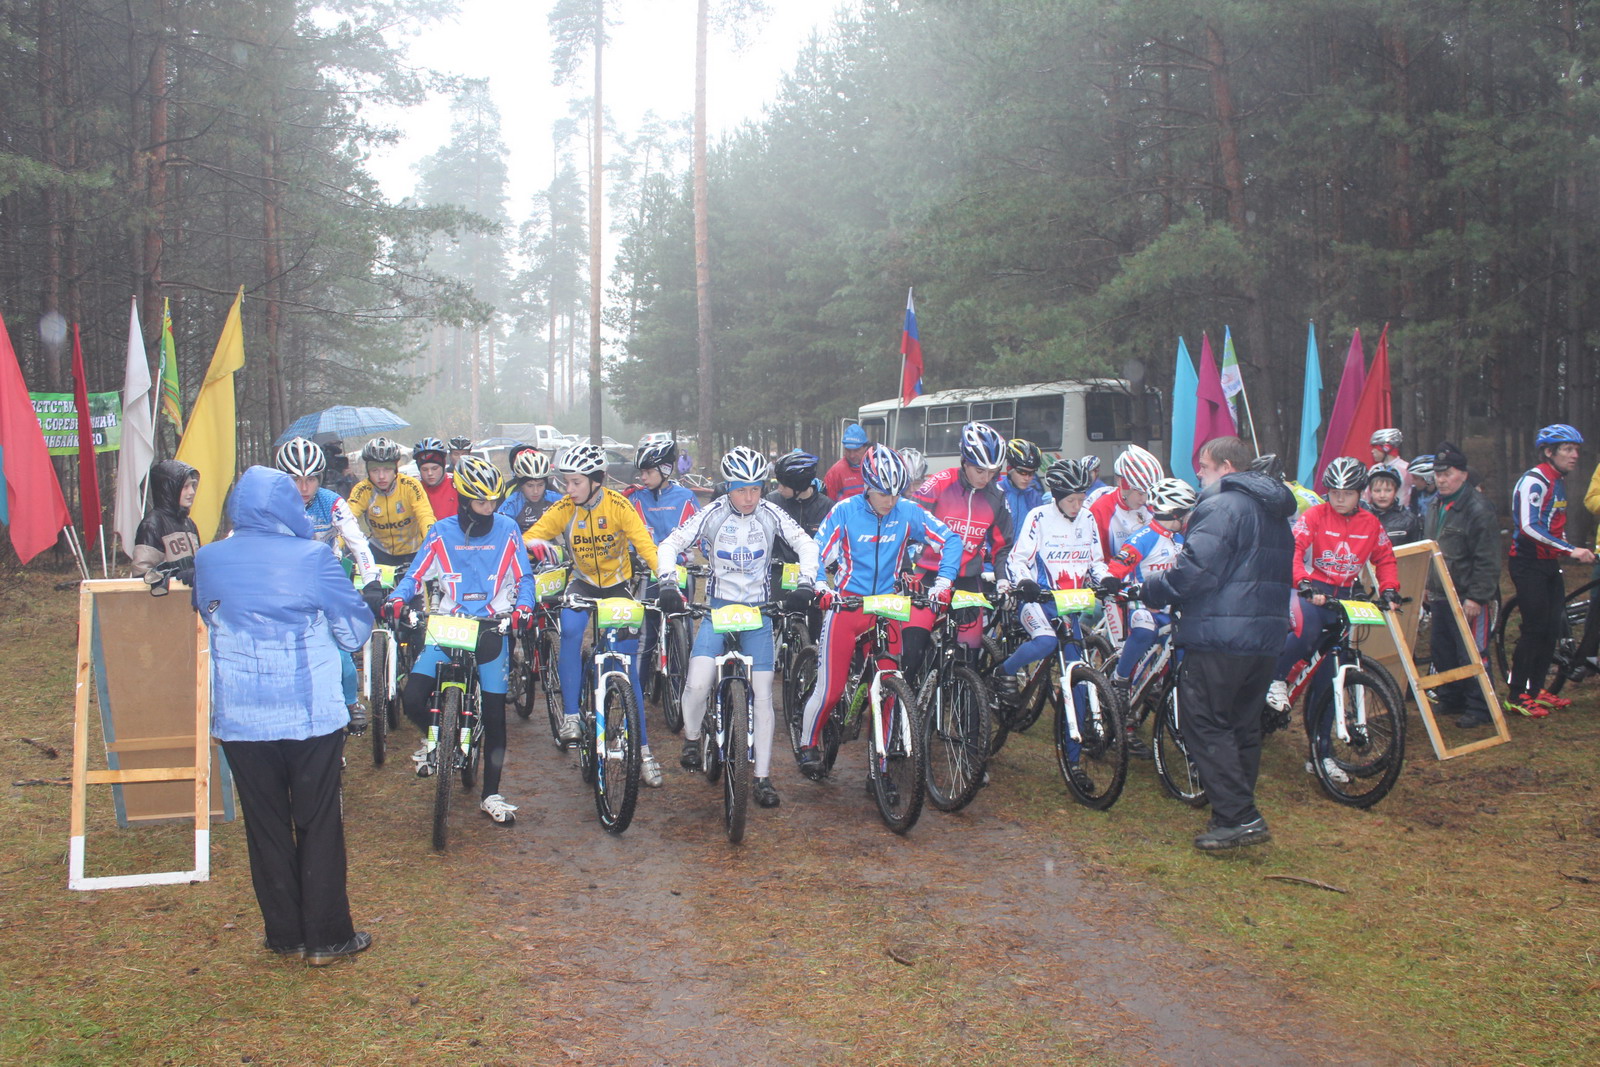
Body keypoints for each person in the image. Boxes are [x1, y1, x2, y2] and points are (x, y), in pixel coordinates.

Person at [192, 465, 373, 965]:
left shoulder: (208, 559)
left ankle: (285, 933)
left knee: (265, 824)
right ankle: (328, 937)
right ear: (286, 508)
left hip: (241, 716)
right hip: (308, 713)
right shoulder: (314, 557)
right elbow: (354, 631)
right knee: (318, 820)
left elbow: (207, 613)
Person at [1139, 436, 1294, 852]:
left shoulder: (1223, 505)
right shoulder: (1273, 510)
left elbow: (1195, 571)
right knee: (1242, 725)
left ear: (1226, 467)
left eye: (1204, 466)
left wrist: (1152, 588)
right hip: (1264, 636)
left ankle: (1239, 816)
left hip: (1221, 633)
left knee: (1204, 721)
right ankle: (1234, 812)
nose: (1198, 474)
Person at [656, 447, 820, 808]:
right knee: (698, 683)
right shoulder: (712, 513)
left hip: (758, 613)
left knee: (762, 696)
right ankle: (693, 739)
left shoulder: (770, 513)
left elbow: (806, 545)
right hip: (718, 609)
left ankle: (762, 777)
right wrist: (667, 581)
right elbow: (670, 545)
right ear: (728, 487)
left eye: (756, 489)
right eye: (741, 490)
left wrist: (806, 582)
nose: (749, 498)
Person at [384, 457, 532, 824]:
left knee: (495, 716)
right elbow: (415, 574)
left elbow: (524, 577)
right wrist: (397, 598)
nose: (490, 509)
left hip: (492, 626)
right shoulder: (441, 532)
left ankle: (491, 794)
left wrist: (524, 607)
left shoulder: (508, 529)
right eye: (481, 502)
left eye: (494, 501)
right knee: (412, 698)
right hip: (449, 624)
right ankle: (438, 739)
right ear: (464, 500)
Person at [797, 444, 959, 781]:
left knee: (889, 690)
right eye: (884, 493)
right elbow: (816, 551)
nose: (891, 501)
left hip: (887, 607)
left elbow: (951, 540)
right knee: (831, 689)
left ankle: (880, 769)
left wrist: (944, 582)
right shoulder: (845, 511)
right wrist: (820, 586)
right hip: (848, 606)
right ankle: (808, 743)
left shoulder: (907, 511)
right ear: (868, 486)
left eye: (897, 493)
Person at [522, 444, 664, 785]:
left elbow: (645, 546)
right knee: (570, 630)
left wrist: (668, 578)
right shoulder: (564, 508)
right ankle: (572, 715)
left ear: (596, 481)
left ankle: (643, 750)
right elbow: (529, 538)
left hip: (618, 586)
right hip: (582, 584)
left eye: (575, 482)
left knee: (626, 667)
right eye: (566, 482)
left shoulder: (619, 506)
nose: (568, 489)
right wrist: (536, 548)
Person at [1266, 457, 1402, 785]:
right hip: (1310, 591)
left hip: (1345, 597)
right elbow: (1294, 549)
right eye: (1334, 492)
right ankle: (1276, 679)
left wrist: (1390, 590)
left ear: (1360, 493)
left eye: (1347, 493)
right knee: (1308, 629)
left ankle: (1321, 755)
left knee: (1329, 679)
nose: (1339, 499)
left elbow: (1384, 558)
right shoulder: (1315, 515)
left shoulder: (1370, 524)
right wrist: (1303, 582)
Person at [993, 459, 1112, 788]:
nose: (1078, 505)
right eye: (1072, 499)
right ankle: (1004, 671)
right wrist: (1025, 582)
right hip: (1037, 602)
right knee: (1045, 642)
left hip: (1068, 606)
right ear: (1057, 496)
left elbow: (1096, 562)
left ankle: (1073, 762)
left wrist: (1106, 579)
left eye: (1082, 498)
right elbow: (1018, 559)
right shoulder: (1039, 517)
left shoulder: (1087, 518)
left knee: (1079, 680)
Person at [275, 436, 382, 732]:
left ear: (320, 478)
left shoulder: (331, 502)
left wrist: (371, 580)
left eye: (311, 479)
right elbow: (242, 537)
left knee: (341, 653)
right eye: (295, 480)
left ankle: (351, 702)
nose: (304, 488)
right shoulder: (272, 505)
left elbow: (357, 542)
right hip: (285, 585)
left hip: (326, 582)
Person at [907, 421, 1014, 675]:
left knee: (969, 655)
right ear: (964, 461)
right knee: (913, 649)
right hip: (929, 573)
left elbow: (1002, 546)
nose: (986, 478)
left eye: (993, 471)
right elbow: (908, 524)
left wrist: (1003, 580)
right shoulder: (939, 483)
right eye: (980, 470)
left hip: (968, 577)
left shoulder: (996, 497)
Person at [1504, 424, 1596, 716]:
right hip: (1527, 563)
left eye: (1576, 449)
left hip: (1548, 564)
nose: (1575, 455)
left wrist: (1566, 548)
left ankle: (1536, 689)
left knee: (1552, 628)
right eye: (1568, 449)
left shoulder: (1558, 481)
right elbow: (1528, 527)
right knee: (1534, 629)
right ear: (1548, 452)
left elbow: (1554, 524)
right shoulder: (1535, 480)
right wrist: (1569, 550)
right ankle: (1516, 694)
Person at [1105, 478, 1197, 728]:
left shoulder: (1180, 540)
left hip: (1169, 608)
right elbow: (1117, 569)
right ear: (1175, 513)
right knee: (1145, 629)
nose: (1188, 517)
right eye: (1186, 512)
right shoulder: (1143, 538)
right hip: (1141, 607)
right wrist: (1115, 581)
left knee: (1184, 644)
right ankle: (1120, 678)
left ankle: (1160, 685)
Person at [1423, 444, 1502, 728]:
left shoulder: (1478, 509)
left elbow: (1488, 558)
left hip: (1467, 595)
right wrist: (1426, 584)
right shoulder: (1435, 504)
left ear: (1463, 475)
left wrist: (1477, 597)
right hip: (1440, 593)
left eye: (1448, 474)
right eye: (1438, 474)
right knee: (1443, 650)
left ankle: (1481, 706)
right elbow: (1430, 547)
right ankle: (1452, 697)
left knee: (1472, 652)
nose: (1441, 480)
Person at [768, 450, 833, 638]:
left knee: (815, 623)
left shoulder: (827, 506)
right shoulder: (772, 501)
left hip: (812, 573)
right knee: (771, 615)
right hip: (780, 569)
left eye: (784, 484)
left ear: (799, 485)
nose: (779, 488)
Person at [347, 437, 436, 567]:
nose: (381, 476)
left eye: (387, 469)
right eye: (375, 470)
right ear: (368, 470)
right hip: (379, 552)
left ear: (395, 468)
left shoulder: (410, 485)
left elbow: (425, 516)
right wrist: (336, 546)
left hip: (413, 552)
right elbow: (347, 520)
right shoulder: (362, 490)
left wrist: (432, 542)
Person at [131, 459, 200, 583]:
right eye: (185, 487)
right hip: (167, 595)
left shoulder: (188, 523)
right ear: (169, 490)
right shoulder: (152, 525)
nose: (192, 492)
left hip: (187, 593)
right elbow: (141, 576)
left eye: (192, 485)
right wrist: (175, 576)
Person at [497, 444, 562, 531]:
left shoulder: (554, 497)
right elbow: (501, 529)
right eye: (530, 485)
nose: (535, 491)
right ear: (521, 485)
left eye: (540, 485)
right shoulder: (512, 502)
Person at [1363, 464, 1421, 545]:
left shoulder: (1409, 520)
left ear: (1395, 491)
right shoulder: (1362, 519)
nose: (1382, 495)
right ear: (1370, 492)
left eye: (1388, 490)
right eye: (1377, 491)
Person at [997, 439, 1045, 526]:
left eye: (1031, 473)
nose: (1027, 478)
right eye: (1022, 472)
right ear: (1009, 468)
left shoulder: (1034, 497)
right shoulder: (997, 492)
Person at [822, 423, 871, 501]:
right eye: (848, 450)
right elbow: (827, 504)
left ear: (865, 447)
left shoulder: (874, 468)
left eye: (856, 450)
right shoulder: (835, 473)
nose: (852, 455)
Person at [414, 437, 458, 520]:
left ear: (443, 466)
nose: (430, 473)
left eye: (435, 468)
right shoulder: (415, 488)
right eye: (424, 469)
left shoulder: (457, 483)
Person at [1369, 429, 1411, 508]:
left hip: (1401, 513)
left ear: (1386, 448)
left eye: (1375, 447)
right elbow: (1366, 498)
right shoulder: (1374, 469)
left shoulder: (1406, 469)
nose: (1372, 451)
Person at [1407, 454, 1437, 520]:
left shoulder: (1441, 497)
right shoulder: (1415, 493)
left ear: (1429, 479)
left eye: (1415, 478)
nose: (1412, 482)